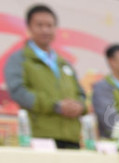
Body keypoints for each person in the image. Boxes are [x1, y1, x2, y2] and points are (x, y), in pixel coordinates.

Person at [3, 4, 87, 148]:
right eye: (39, 25)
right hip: (40, 137)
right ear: (29, 28)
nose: (45, 30)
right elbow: (18, 92)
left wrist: (79, 106)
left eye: (50, 25)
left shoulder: (64, 63)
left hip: (72, 137)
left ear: (56, 29)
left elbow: (81, 95)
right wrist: (56, 106)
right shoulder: (18, 59)